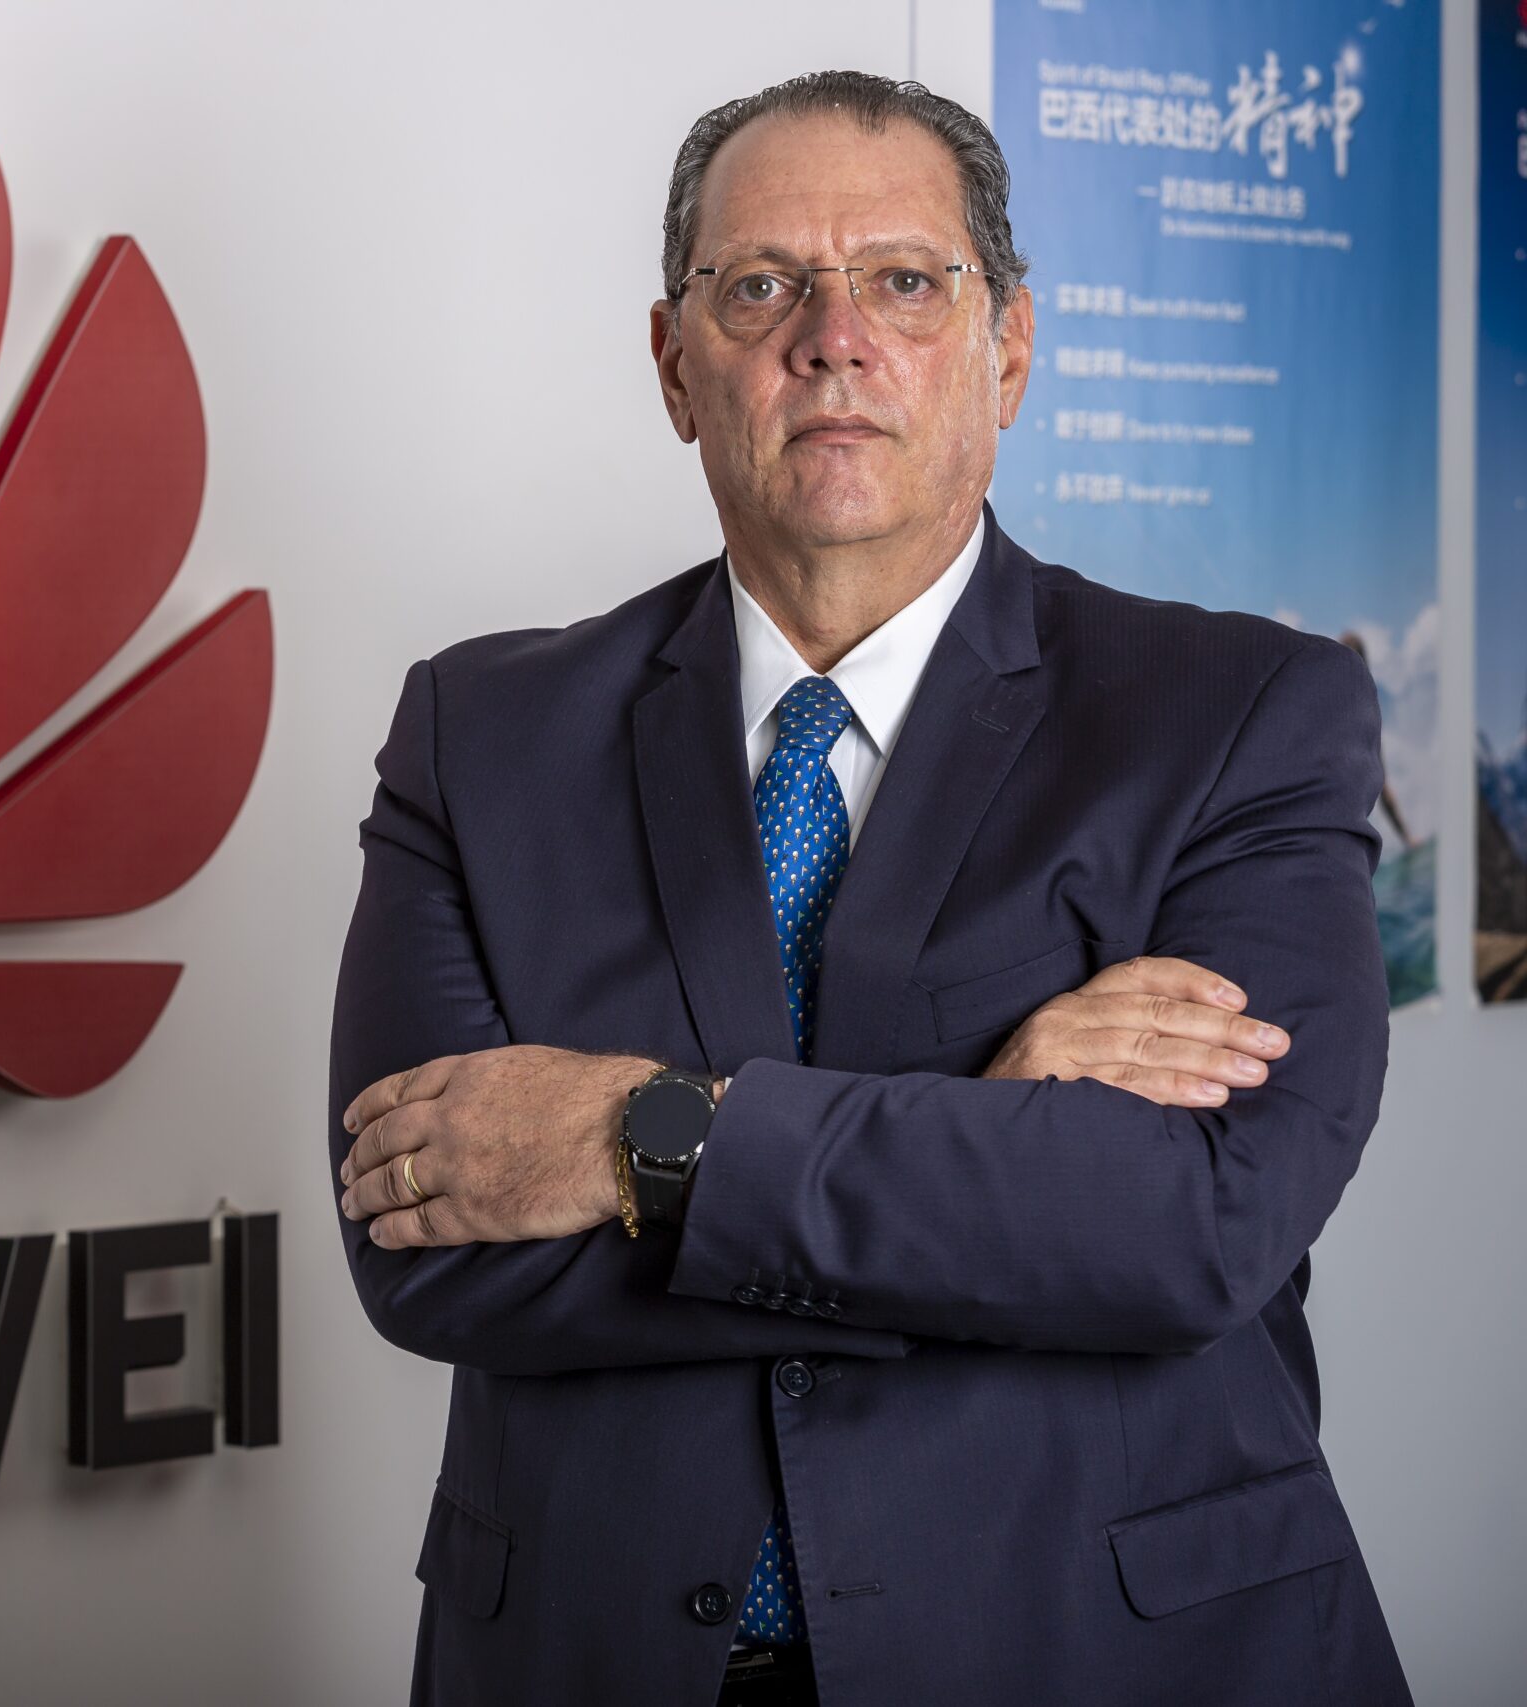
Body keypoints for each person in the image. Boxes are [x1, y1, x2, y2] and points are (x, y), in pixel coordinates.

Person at [326, 70, 1410, 1707]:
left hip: (1103, 1659)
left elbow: (1187, 1230)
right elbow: (426, 1241)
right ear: (675, 365)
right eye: (762, 286)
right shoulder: (478, 734)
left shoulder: (1239, 716)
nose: (833, 339)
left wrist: (636, 1137)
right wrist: (991, 1148)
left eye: (905, 281)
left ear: (1010, 349)